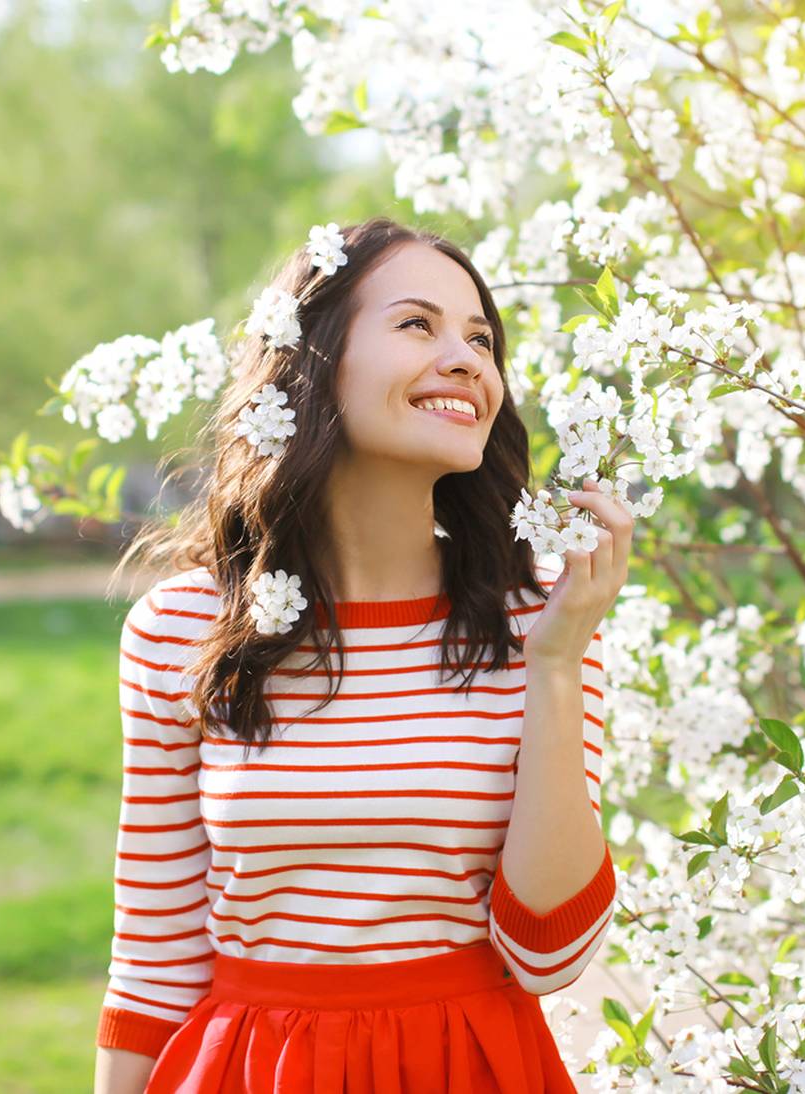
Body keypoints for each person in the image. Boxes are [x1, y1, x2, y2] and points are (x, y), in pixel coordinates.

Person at [93, 217, 630, 1094]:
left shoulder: (546, 615)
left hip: (472, 1069)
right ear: (314, 360)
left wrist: (557, 662)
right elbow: (154, 961)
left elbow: (549, 951)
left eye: (480, 338)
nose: (465, 358)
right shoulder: (181, 631)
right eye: (418, 324)